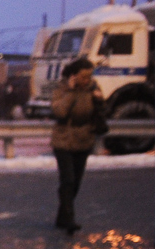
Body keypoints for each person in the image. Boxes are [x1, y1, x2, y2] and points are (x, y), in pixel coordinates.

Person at [50, 57, 102, 234]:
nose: (87, 80)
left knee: (76, 183)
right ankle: (69, 219)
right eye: (83, 77)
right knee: (68, 180)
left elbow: (102, 115)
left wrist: (100, 101)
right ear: (73, 76)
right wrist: (71, 92)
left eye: (89, 76)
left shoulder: (93, 89)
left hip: (84, 140)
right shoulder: (61, 90)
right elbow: (60, 112)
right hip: (63, 140)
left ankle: (62, 216)